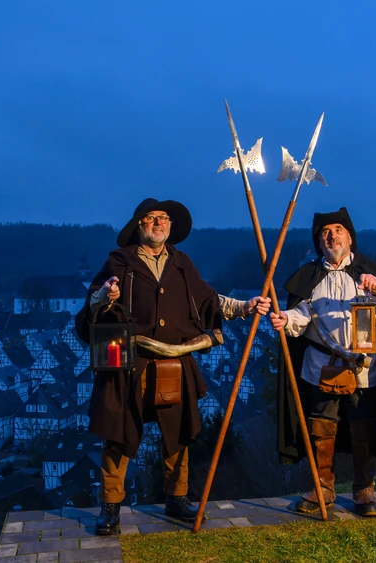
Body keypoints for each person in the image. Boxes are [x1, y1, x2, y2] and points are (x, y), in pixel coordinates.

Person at [76, 197, 270, 535]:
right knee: (117, 437)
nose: (158, 223)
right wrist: (104, 296)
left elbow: (209, 301)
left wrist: (245, 306)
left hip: (174, 363)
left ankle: (177, 498)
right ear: (139, 225)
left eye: (163, 218)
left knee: (178, 435)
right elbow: (91, 307)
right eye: (151, 218)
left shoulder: (181, 263)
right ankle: (110, 507)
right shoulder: (119, 263)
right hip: (128, 364)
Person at [270, 207, 376, 517]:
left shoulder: (367, 274)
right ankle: (323, 488)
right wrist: (284, 319)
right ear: (319, 242)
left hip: (363, 368)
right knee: (321, 427)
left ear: (349, 237)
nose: (331, 236)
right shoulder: (310, 277)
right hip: (320, 366)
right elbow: (301, 317)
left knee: (364, 429)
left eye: (337, 231)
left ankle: (363, 490)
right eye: (324, 233)